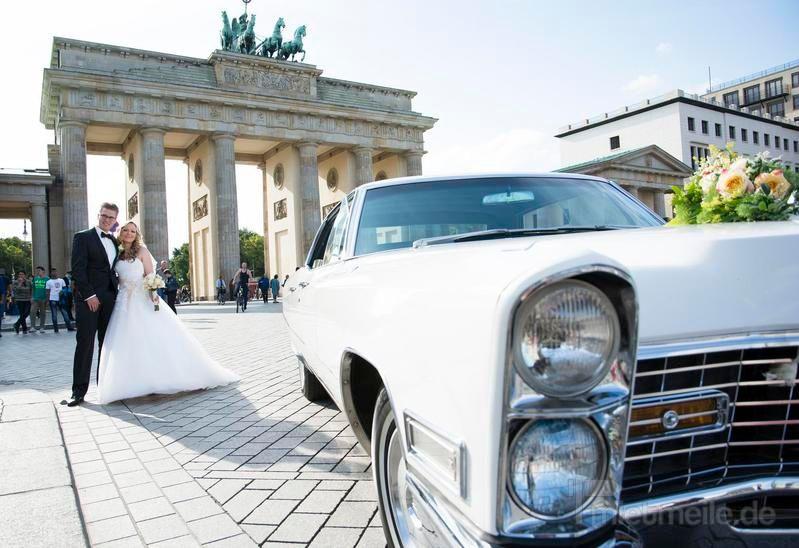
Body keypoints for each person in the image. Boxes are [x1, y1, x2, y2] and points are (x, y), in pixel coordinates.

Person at [95, 221, 239, 404]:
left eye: (133, 231)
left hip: (142, 299)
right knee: (127, 341)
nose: (129, 233)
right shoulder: (117, 253)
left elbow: (149, 275)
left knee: (154, 338)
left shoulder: (142, 251)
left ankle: (166, 377)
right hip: (123, 302)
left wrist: (153, 293)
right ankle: (132, 382)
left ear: (136, 234)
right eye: (126, 230)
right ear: (120, 232)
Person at [66, 203, 120, 407]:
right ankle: (78, 391)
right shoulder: (83, 237)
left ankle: (104, 388)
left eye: (111, 217)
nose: (107, 220)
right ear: (98, 215)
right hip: (89, 300)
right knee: (85, 343)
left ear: (115, 221)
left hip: (110, 299)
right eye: (104, 216)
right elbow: (78, 270)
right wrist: (89, 295)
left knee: (106, 344)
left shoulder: (114, 241)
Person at [46, 268, 73, 332]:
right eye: (52, 272)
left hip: (61, 299)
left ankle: (69, 327)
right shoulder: (48, 282)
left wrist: (63, 292)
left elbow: (64, 288)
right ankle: (56, 329)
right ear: (50, 273)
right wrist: (47, 300)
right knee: (54, 315)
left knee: (65, 313)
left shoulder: (61, 280)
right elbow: (47, 292)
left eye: (55, 272)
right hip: (52, 299)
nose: (54, 273)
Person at [12, 270, 32, 335]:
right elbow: (16, 290)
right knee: (22, 314)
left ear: (25, 275)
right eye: (20, 274)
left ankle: (16, 324)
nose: (21, 275)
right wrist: (20, 284)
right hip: (19, 300)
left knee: (27, 313)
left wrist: (22, 289)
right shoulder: (15, 282)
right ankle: (24, 329)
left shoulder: (29, 282)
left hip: (28, 299)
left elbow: (31, 289)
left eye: (22, 274)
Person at [30, 266, 49, 334]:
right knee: (32, 312)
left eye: (39, 270)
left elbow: (49, 290)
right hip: (35, 298)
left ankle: (42, 327)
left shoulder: (47, 279)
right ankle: (32, 327)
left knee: (42, 313)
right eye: (37, 271)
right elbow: (33, 288)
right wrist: (32, 297)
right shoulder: (35, 278)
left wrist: (47, 299)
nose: (38, 272)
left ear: (43, 271)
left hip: (43, 299)